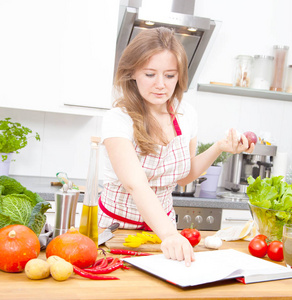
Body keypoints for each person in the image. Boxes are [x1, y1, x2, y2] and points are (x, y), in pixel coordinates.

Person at [98, 27, 255, 266]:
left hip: (162, 232)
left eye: (170, 76)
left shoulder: (186, 114)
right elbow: (136, 184)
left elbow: (185, 177)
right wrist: (171, 235)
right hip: (115, 231)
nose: (161, 85)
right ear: (132, 73)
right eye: (150, 74)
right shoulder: (118, 119)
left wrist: (219, 147)